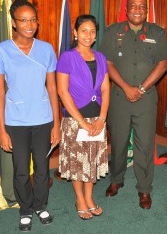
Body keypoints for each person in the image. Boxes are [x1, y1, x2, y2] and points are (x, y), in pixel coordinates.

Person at [0, 0, 60, 231]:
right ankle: (25, 209)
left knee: (41, 166)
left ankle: (41, 205)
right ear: (14, 23)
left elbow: (52, 87)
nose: (29, 25)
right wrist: (1, 129)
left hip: (43, 119)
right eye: (23, 20)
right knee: (20, 169)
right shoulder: (1, 50)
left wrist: (56, 123)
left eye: (33, 20)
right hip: (16, 121)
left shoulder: (46, 48)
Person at [99, 0, 167, 209]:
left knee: (145, 145)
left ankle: (144, 189)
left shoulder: (157, 32)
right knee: (119, 142)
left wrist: (140, 88)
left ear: (146, 10)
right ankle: (116, 180)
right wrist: (126, 87)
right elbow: (108, 63)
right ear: (126, 9)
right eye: (133, 5)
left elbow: (163, 64)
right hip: (120, 97)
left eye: (142, 6)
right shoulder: (113, 31)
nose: (137, 9)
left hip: (146, 99)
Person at [57, 15, 109, 220]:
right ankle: (79, 199)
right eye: (84, 31)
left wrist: (101, 119)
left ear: (96, 35)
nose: (88, 35)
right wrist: (82, 123)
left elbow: (105, 88)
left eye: (92, 31)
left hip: (97, 118)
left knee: (92, 162)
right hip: (75, 120)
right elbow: (63, 92)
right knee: (78, 164)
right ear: (76, 32)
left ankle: (89, 197)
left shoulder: (101, 57)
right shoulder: (67, 57)